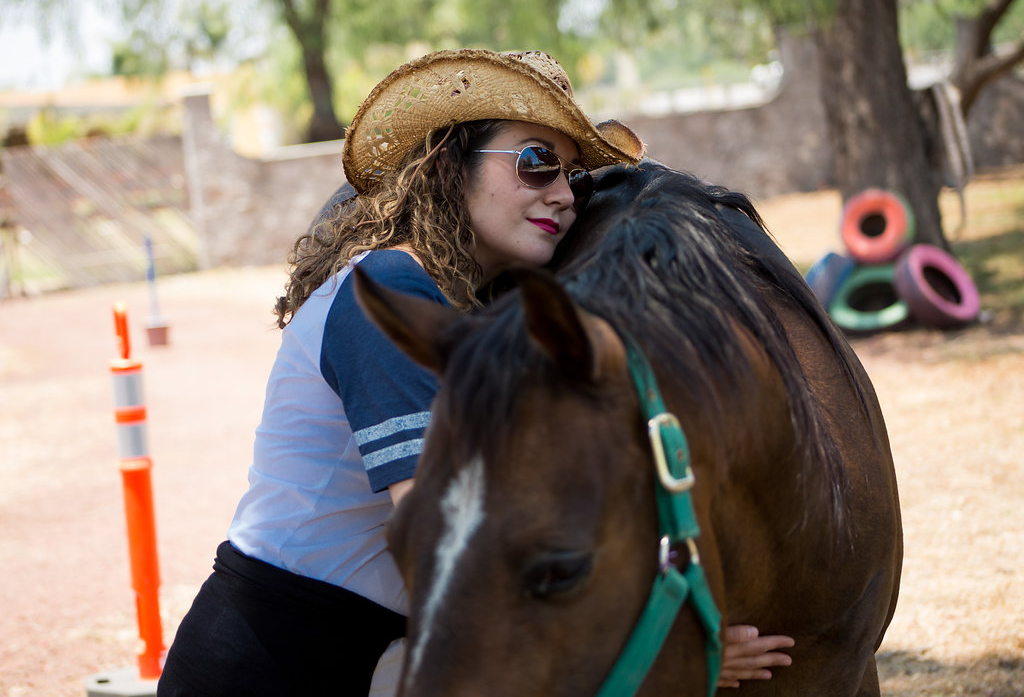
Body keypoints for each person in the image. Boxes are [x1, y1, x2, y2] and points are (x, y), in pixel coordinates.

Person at [158, 49, 791, 696]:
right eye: (536, 163)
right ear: (448, 164)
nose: (563, 195)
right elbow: (457, 554)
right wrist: (660, 646)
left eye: (572, 175)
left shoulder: (450, 304)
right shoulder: (387, 290)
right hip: (269, 666)